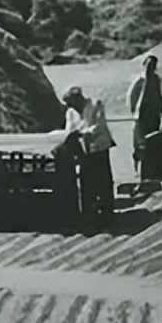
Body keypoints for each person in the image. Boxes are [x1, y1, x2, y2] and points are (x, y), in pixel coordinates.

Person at [62, 86, 116, 224]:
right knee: (87, 179)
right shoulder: (70, 112)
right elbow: (69, 129)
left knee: (102, 177)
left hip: (99, 145)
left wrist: (84, 133)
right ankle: (89, 210)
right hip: (83, 149)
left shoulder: (95, 105)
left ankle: (107, 210)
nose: (72, 107)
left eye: (73, 103)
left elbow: (99, 125)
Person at [127, 55, 162, 172]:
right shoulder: (139, 81)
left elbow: (158, 94)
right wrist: (134, 111)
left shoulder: (156, 79)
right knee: (140, 140)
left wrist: (160, 107)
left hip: (153, 114)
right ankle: (139, 166)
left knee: (153, 139)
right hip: (142, 114)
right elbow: (131, 97)